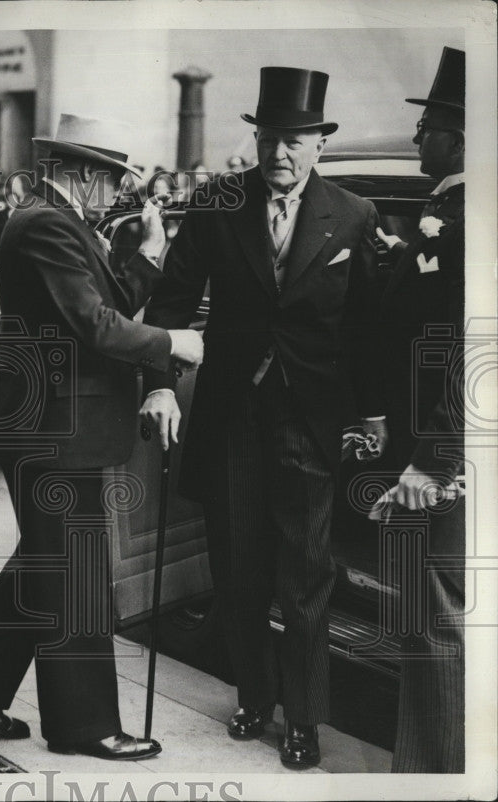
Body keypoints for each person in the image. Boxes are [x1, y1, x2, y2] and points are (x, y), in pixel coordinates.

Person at [0, 113, 203, 761]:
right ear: (81, 174)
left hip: (56, 429)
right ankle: (84, 727)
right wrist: (176, 342)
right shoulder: (50, 224)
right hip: (55, 431)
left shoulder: (57, 221)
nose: (117, 194)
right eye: (111, 180)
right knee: (76, 577)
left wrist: (151, 251)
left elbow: (106, 299)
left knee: (45, 565)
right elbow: (97, 326)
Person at [141, 67, 381, 768]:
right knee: (239, 571)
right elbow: (171, 300)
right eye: (271, 139)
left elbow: (367, 326)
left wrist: (372, 413)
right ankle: (253, 697)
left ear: (318, 148)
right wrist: (160, 384)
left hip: (310, 423)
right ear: (258, 140)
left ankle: (304, 720)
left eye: (296, 142)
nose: (281, 154)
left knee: (306, 579)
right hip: (233, 418)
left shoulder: (354, 215)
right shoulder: (219, 202)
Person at [370, 46, 466, 773]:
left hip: (434, 457)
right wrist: (400, 253)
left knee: (430, 621)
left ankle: (431, 774)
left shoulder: (461, 221)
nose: (416, 139)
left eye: (428, 125)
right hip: (433, 448)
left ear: (459, 134)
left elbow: (456, 349)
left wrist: (428, 462)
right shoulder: (444, 217)